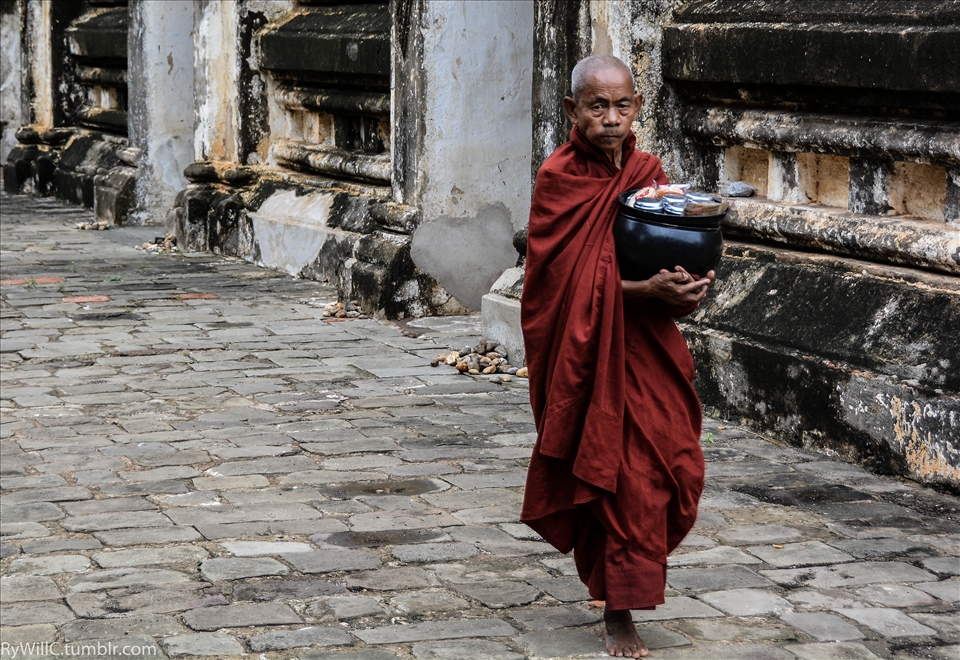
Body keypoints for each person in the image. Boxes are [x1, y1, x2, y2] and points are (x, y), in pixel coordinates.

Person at [520, 54, 714, 658]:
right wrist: (643, 290)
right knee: (618, 475)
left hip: (646, 347)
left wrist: (683, 285)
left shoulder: (649, 173)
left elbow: (668, 250)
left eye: (622, 106)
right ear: (571, 109)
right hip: (588, 357)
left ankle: (627, 584)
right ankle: (619, 610)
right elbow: (558, 286)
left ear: (638, 107)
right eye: (597, 106)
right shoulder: (559, 178)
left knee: (676, 464)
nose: (610, 118)